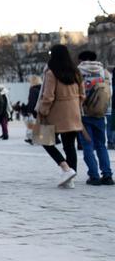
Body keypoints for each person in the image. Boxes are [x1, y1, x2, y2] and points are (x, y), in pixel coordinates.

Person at [36, 44, 84, 188]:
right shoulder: (76, 72)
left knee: (44, 140)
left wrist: (43, 111)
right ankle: (70, 178)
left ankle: (65, 168)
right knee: (70, 146)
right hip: (74, 113)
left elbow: (48, 96)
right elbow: (82, 94)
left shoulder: (51, 73)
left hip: (55, 113)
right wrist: (75, 106)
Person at [77, 50, 113, 185]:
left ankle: (94, 175)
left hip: (84, 113)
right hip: (100, 113)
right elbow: (108, 93)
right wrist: (106, 112)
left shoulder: (78, 72)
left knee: (87, 145)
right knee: (101, 145)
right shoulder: (104, 72)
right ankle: (107, 175)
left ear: (82, 60)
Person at [25, 75, 43, 144]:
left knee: (33, 124)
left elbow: (32, 101)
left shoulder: (33, 89)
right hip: (42, 109)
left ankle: (32, 138)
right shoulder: (42, 88)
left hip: (35, 110)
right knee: (40, 124)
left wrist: (29, 111)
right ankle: (41, 138)